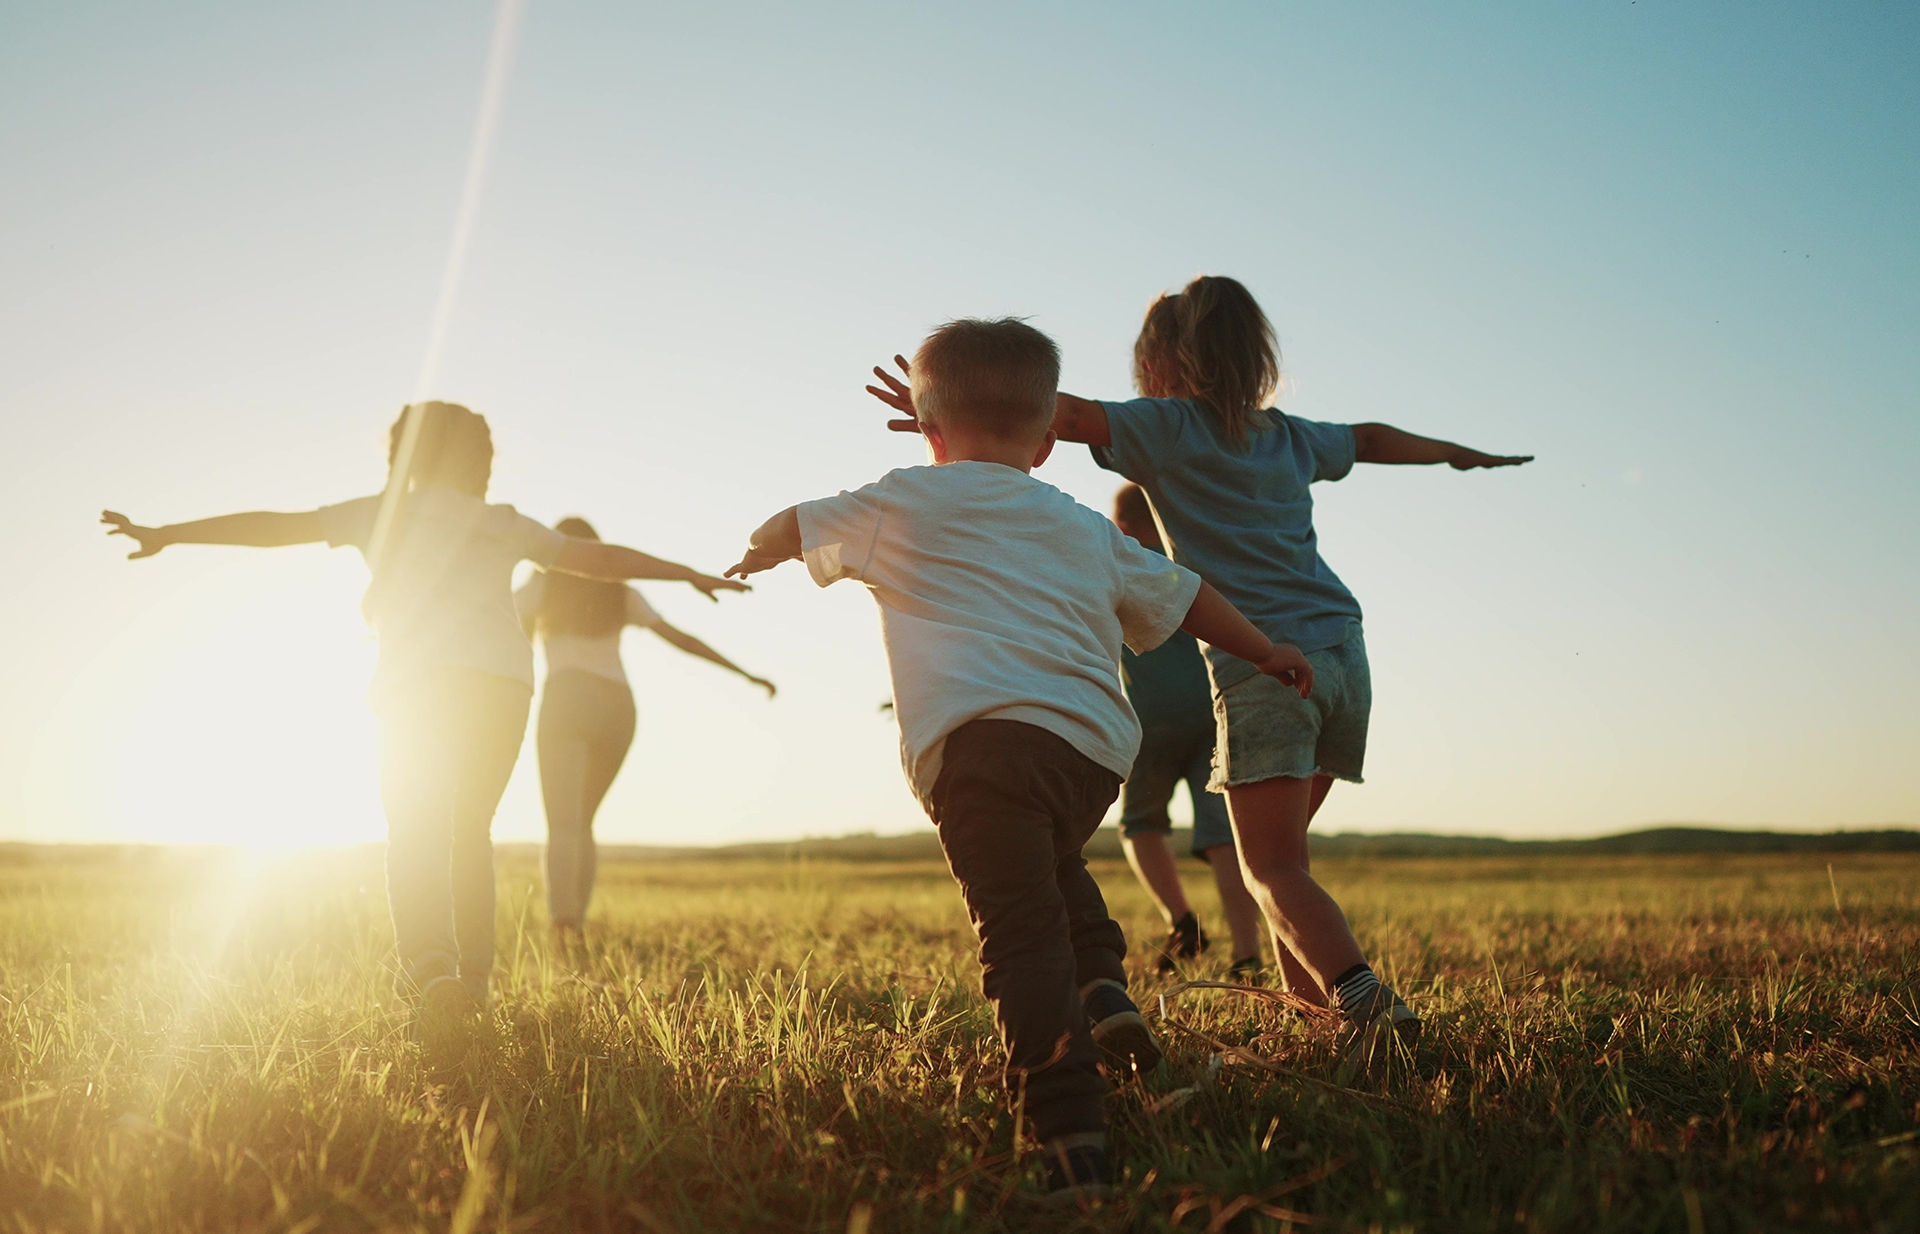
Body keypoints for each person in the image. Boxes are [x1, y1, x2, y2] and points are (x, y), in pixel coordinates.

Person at [869, 277, 1530, 1059]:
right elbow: (1376, 437)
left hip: (1266, 664)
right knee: (1285, 866)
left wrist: (946, 408)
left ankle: (1361, 998)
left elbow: (1064, 414)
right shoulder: (1288, 435)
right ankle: (1309, 1024)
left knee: (1273, 869)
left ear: (1158, 364)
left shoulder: (1167, 427)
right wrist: (1458, 455)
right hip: (1344, 654)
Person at [736, 319, 1313, 1205]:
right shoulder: (1080, 524)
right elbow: (1187, 595)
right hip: (1089, 757)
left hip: (980, 753)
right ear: (1047, 444)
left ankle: (1069, 1131)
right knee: (1051, 869)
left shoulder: (899, 499)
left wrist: (756, 552)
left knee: (1017, 935)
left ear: (928, 431)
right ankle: (1106, 990)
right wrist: (1267, 648)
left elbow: (794, 523)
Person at [101, 401, 746, 1044]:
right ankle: (474, 982)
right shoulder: (502, 523)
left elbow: (274, 527)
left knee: (415, 829)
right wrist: (683, 572)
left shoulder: (381, 514)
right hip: (504, 686)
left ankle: (435, 975)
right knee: (471, 833)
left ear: (405, 455)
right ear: (482, 463)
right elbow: (596, 560)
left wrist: (169, 532)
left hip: (419, 684)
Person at [515, 516, 775, 941]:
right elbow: (681, 638)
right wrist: (744, 673)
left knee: (563, 824)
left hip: (567, 697)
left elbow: (493, 627)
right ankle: (574, 924)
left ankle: (565, 927)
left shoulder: (539, 589)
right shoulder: (621, 593)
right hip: (617, 706)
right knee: (583, 823)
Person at [1108, 483, 1264, 978]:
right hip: (1212, 714)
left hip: (1149, 721)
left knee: (1140, 825)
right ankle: (1247, 954)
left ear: (1125, 527)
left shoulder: (1118, 567)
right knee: (1224, 837)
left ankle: (1182, 920)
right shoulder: (1195, 563)